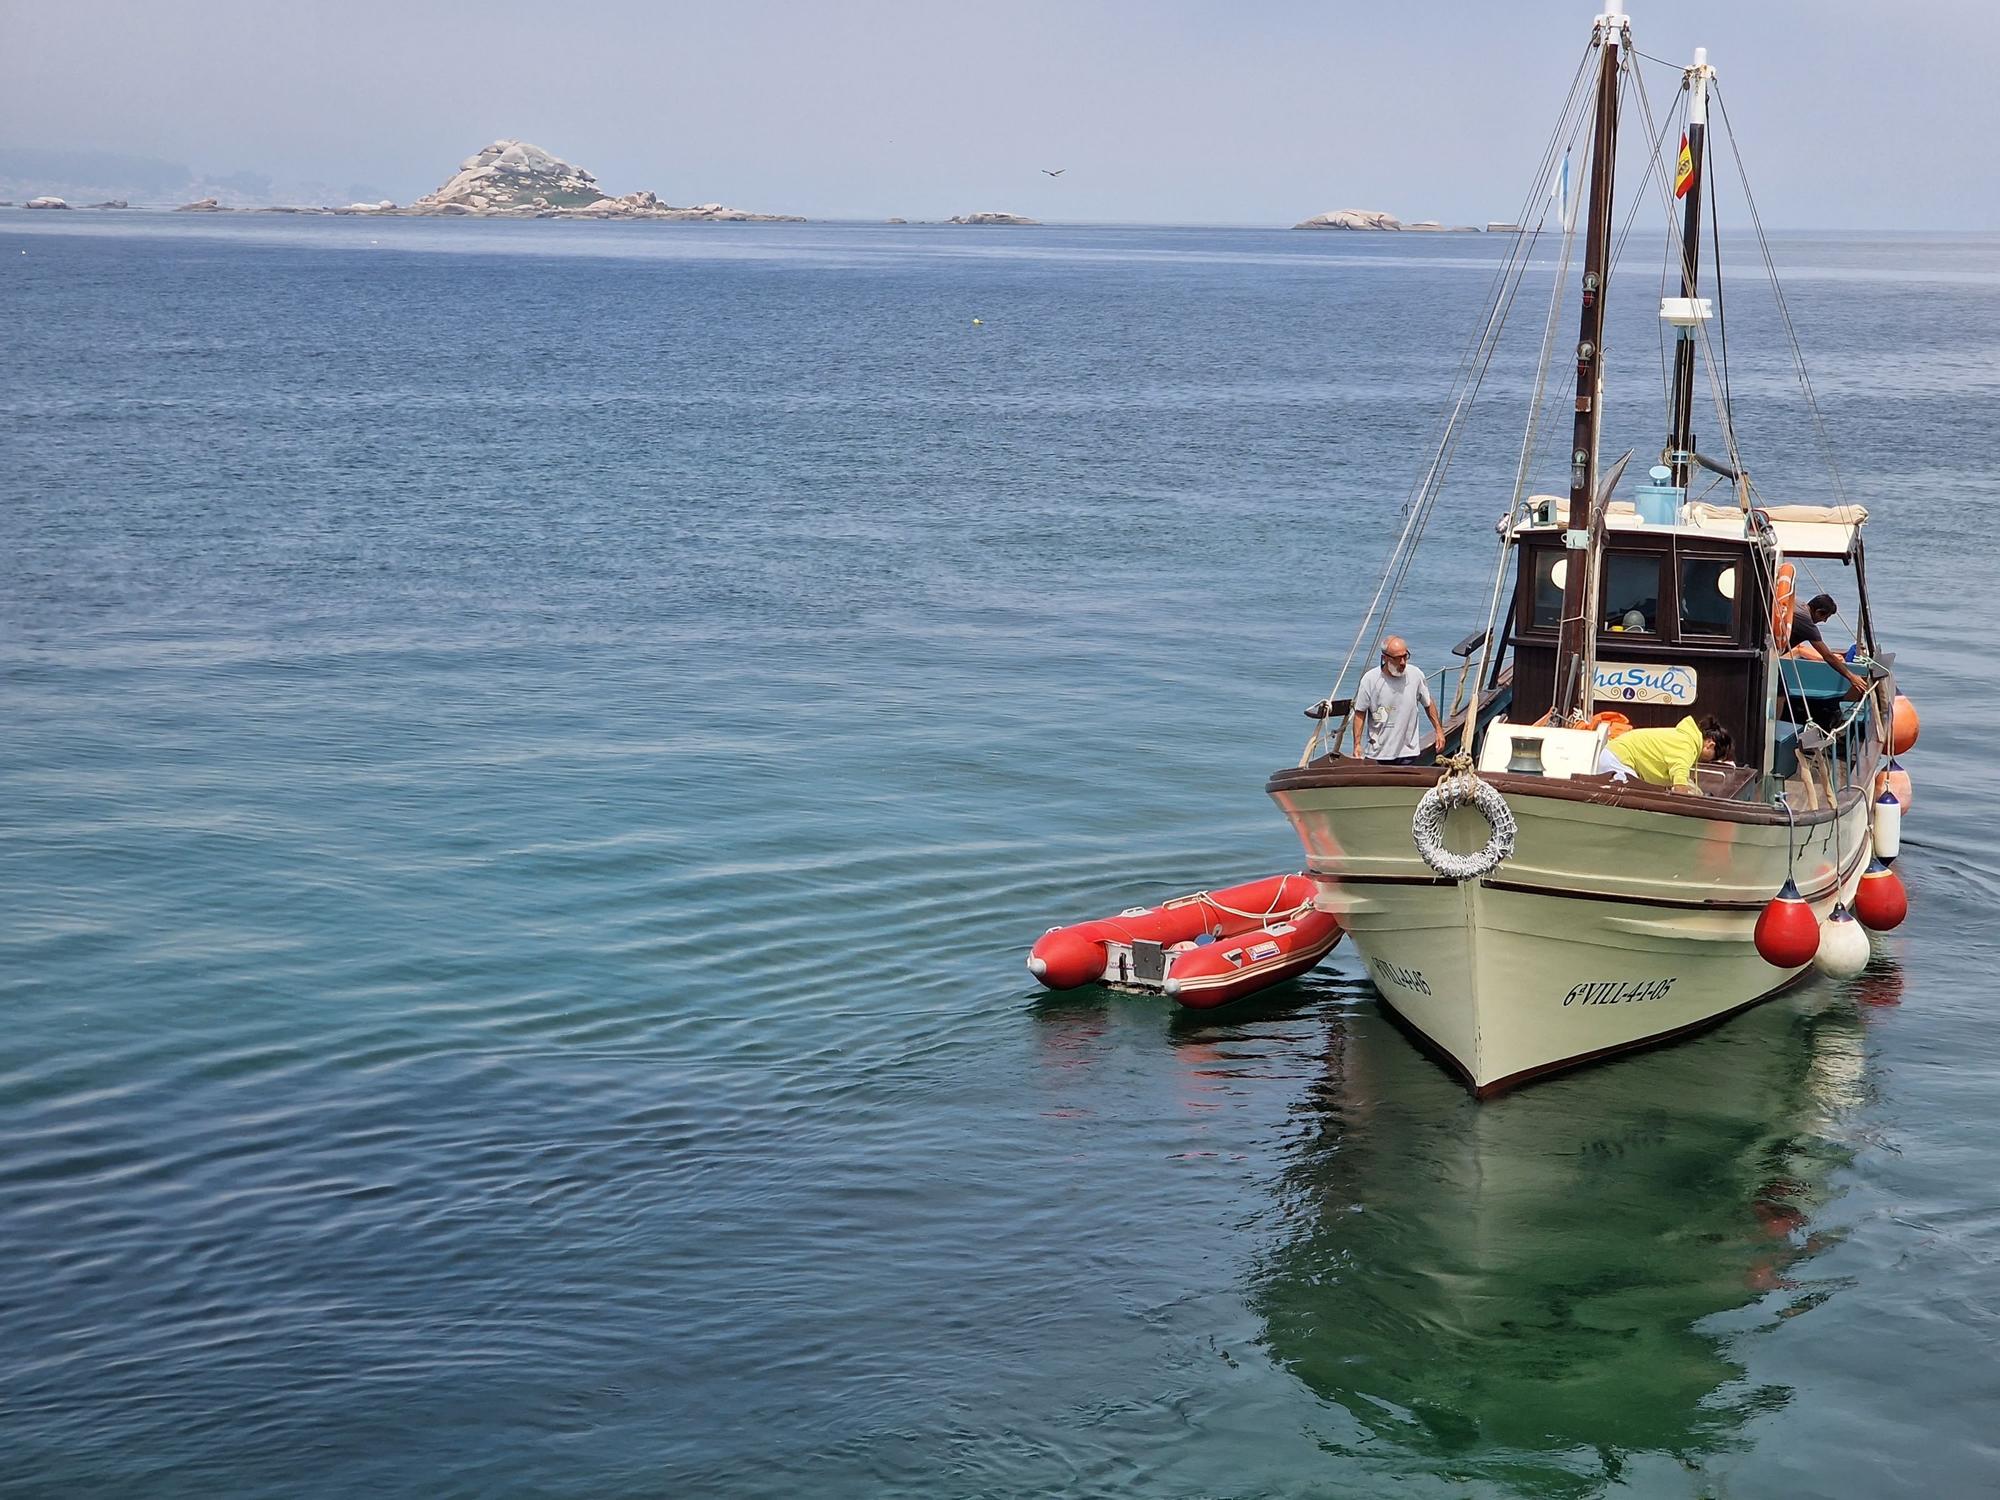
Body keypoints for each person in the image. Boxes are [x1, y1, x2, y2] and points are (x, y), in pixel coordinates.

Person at [1350, 636, 1445, 764]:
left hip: (1408, 753)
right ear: (1385, 658)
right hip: (1378, 754)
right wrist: (1357, 744)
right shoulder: (1370, 680)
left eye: (1405, 656)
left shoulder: (1416, 675)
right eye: (1397, 658)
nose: (1402, 662)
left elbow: (1428, 703)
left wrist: (1439, 731)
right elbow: (1360, 713)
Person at [1594, 714, 1732, 795]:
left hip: (1616, 755)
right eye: (1713, 757)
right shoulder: (1687, 745)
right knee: (1629, 801)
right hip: (1619, 758)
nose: (1708, 761)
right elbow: (1679, 780)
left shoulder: (1685, 739)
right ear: (1710, 745)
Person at [1789, 593, 1869, 698]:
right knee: (1781, 693)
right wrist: (1852, 677)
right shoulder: (1807, 623)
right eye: (1825, 617)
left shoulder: (1797, 604)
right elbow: (1827, 656)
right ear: (1818, 612)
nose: (1824, 621)